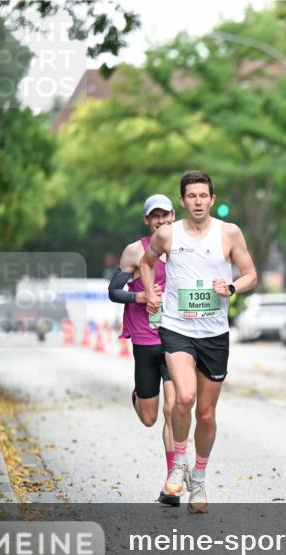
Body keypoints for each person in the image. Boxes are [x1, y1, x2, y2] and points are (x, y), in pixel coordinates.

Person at [140, 170, 256, 513]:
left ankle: (199, 479)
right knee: (184, 396)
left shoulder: (229, 233)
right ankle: (179, 462)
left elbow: (250, 274)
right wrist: (150, 294)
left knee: (206, 414)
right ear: (183, 201)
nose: (198, 202)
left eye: (203, 196)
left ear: (212, 199)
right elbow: (147, 265)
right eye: (192, 196)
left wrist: (232, 288)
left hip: (214, 333)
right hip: (177, 328)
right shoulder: (167, 234)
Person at [108, 194, 179, 506]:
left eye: (165, 215)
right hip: (145, 339)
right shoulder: (135, 251)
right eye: (155, 216)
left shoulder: (184, 251)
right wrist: (140, 298)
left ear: (174, 216)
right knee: (150, 417)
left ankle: (171, 485)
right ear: (147, 220)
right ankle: (139, 396)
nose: (161, 221)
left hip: (177, 339)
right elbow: (113, 291)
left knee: (173, 408)